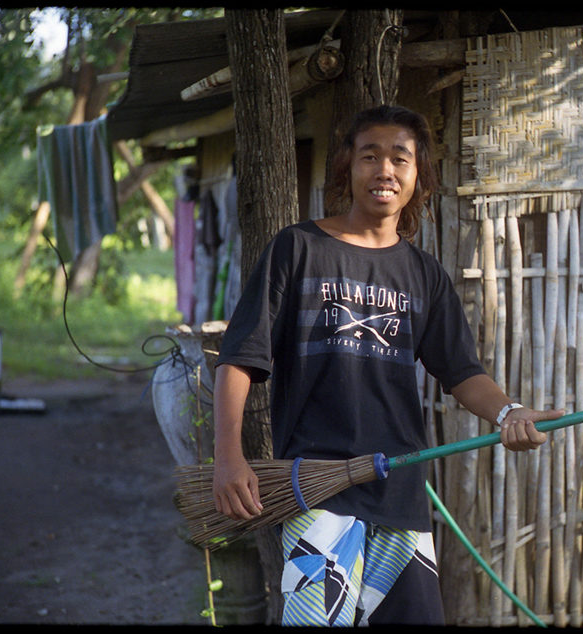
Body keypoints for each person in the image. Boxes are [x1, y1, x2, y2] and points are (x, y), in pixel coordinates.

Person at [212, 104, 563, 626]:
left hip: (400, 494)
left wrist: (509, 411)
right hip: (315, 490)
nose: (385, 170)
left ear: (417, 176)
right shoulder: (298, 249)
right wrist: (229, 457)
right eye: (370, 156)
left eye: (400, 159)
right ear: (346, 168)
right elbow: (239, 360)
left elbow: (462, 373)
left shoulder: (423, 275)